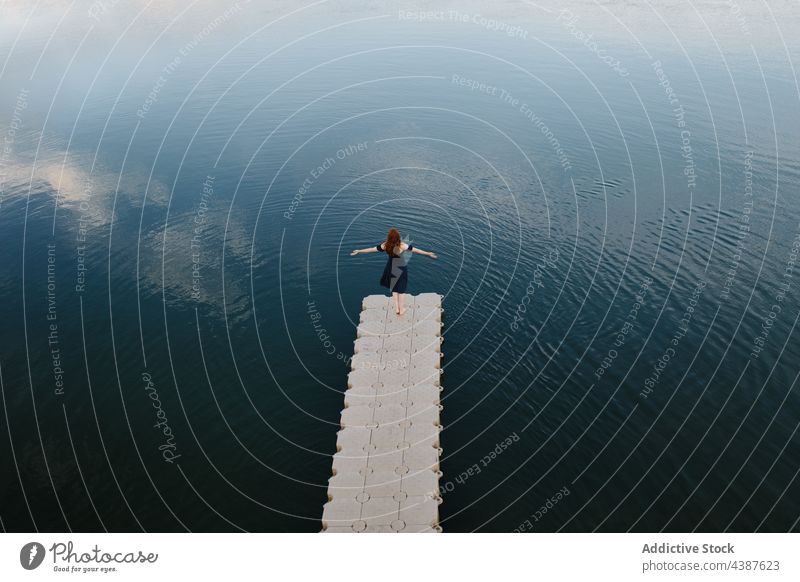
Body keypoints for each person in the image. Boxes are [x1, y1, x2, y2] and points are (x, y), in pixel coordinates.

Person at [350, 227, 437, 315]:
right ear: (398, 237)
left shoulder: (385, 245)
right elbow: (416, 250)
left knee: (394, 288)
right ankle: (401, 309)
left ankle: (396, 309)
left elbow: (372, 249)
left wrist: (359, 251)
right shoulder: (402, 245)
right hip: (400, 268)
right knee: (401, 289)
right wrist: (428, 253)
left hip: (390, 267)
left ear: (389, 237)